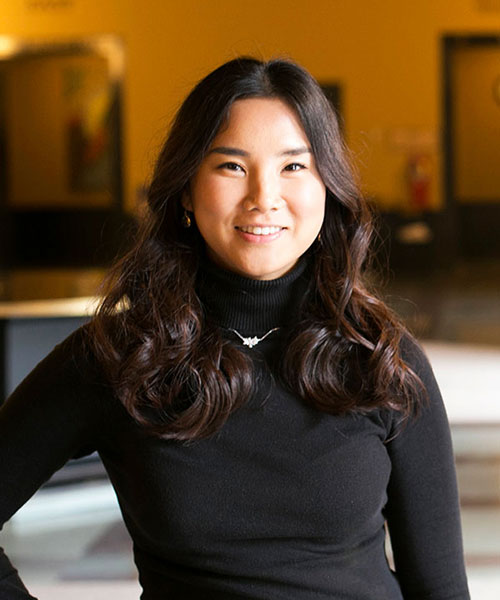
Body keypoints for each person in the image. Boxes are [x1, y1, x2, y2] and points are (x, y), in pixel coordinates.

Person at [0, 57, 470, 599]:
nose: (263, 198)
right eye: (232, 167)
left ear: (328, 188)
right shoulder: (121, 356)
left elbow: (441, 589)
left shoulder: (383, 358)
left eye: (294, 166)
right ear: (185, 190)